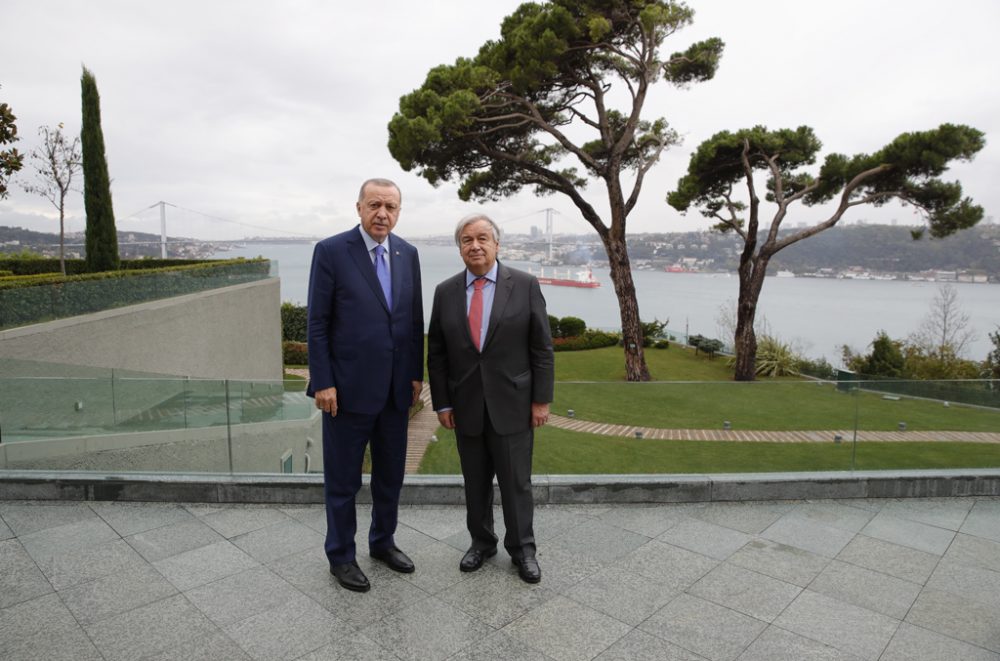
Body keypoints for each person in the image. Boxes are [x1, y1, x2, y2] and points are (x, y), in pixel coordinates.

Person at [306, 178, 423, 593]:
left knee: (389, 477)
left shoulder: (408, 254)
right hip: (346, 393)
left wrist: (415, 375)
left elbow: (412, 323)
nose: (382, 214)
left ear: (398, 212)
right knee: (343, 482)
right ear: (358, 208)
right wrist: (322, 381)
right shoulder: (332, 251)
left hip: (394, 394)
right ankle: (341, 555)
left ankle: (382, 543)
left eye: (391, 207)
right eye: (374, 205)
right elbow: (317, 323)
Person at [427, 213, 554, 583]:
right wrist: (443, 403)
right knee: (475, 482)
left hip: (513, 404)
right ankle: (481, 543)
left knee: (517, 483)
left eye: (483, 238)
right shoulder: (445, 291)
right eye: (467, 240)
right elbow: (436, 352)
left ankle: (523, 550)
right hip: (465, 406)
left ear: (497, 244)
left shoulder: (526, 285)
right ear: (460, 247)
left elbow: (542, 349)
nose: (475, 245)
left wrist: (541, 401)